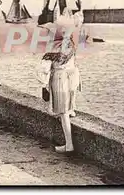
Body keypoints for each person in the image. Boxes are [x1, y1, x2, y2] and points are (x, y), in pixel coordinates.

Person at [36, 9, 82, 154]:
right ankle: (72, 109)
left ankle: (69, 144)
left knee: (63, 114)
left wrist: (43, 85)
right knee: (69, 107)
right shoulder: (72, 42)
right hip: (72, 76)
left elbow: (43, 68)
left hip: (60, 78)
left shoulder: (54, 47)